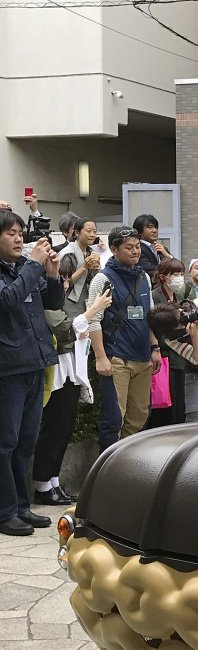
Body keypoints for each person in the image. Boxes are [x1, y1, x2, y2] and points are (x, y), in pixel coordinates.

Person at [0, 208, 65, 536]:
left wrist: (51, 274)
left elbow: (53, 304)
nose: (18, 238)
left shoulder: (20, 269)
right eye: (10, 233)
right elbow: (7, 301)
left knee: (26, 442)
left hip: (34, 363)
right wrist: (33, 264)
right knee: (5, 442)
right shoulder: (17, 271)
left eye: (19, 232)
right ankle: (4, 511)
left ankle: (21, 507)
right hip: (7, 370)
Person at [33, 280, 112, 505]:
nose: (66, 285)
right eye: (62, 280)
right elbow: (66, 328)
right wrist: (95, 309)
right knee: (53, 428)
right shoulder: (46, 308)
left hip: (70, 372)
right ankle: (42, 485)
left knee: (64, 428)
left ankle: (54, 481)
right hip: (55, 374)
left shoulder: (62, 306)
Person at [85, 227, 162, 452]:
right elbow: (92, 320)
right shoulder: (103, 278)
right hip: (116, 359)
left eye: (137, 246)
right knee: (113, 420)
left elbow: (150, 316)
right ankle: (105, 476)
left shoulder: (143, 276)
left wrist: (155, 348)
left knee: (139, 417)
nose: (135, 251)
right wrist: (100, 357)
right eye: (129, 247)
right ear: (113, 249)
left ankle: (128, 464)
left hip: (142, 358)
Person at [146, 258, 189, 426]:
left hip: (179, 354)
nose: (179, 277)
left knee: (179, 402)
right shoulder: (154, 296)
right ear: (163, 277)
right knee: (163, 402)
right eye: (175, 274)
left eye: (181, 274)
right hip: (163, 354)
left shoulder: (178, 296)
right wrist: (155, 347)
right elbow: (152, 325)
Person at [57, 217, 101, 316]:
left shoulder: (91, 252)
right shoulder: (68, 253)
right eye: (88, 231)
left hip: (89, 298)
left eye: (94, 231)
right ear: (77, 233)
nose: (92, 235)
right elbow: (65, 282)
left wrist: (96, 270)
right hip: (71, 300)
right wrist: (84, 266)